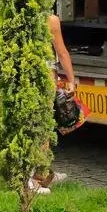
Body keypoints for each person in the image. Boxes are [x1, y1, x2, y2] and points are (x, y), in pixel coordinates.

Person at [28, 14, 77, 195]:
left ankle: (45, 174)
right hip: (44, 76)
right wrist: (71, 80)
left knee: (31, 125)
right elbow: (62, 52)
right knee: (43, 127)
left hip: (23, 76)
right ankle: (35, 179)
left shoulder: (15, 15)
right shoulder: (50, 20)